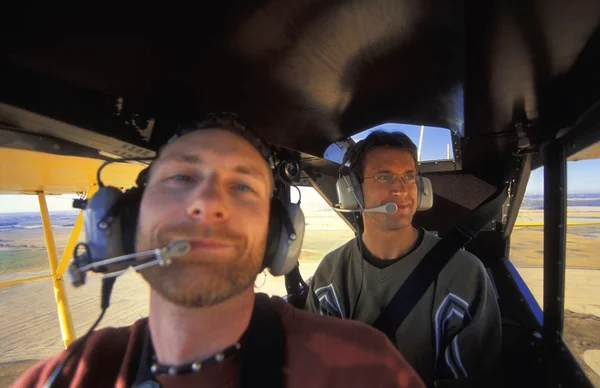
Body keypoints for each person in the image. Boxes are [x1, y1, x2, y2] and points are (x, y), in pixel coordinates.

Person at [11, 114, 425, 388]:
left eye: (242, 186)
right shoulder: (68, 377)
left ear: (277, 233)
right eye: (180, 177)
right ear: (127, 221)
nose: (208, 202)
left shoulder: (362, 370)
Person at [305, 130, 502, 387]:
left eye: (408, 177)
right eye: (384, 176)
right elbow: (319, 371)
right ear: (353, 190)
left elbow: (473, 379)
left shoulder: (465, 275)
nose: (400, 189)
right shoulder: (330, 275)